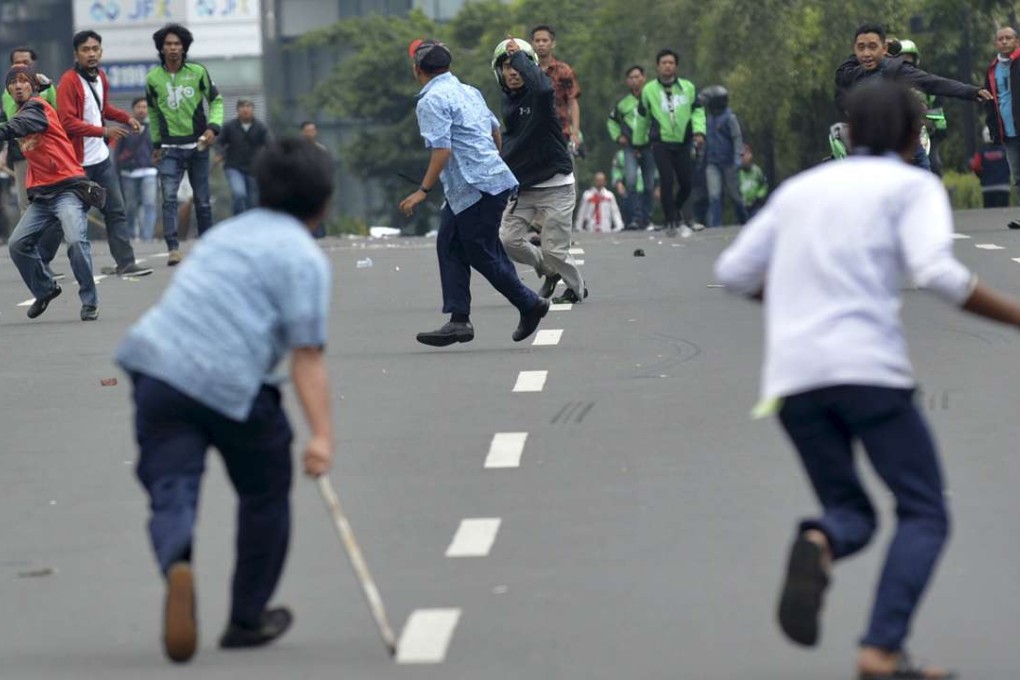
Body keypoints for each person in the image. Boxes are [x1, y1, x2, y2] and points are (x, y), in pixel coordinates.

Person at [716, 79, 1020, 680]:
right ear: (915, 137)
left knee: (850, 514)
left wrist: (799, 306)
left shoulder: (801, 189)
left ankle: (820, 543)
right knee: (925, 510)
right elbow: (936, 272)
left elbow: (733, 271)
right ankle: (880, 649)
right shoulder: (912, 186)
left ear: (848, 133)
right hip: (869, 375)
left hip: (795, 382)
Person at [115, 138, 335, 664]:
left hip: (160, 370)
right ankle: (246, 617)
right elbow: (306, 357)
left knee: (171, 484)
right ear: (323, 202)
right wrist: (322, 436)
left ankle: (176, 561)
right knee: (264, 495)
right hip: (235, 385)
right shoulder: (305, 258)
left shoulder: (225, 234)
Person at [399, 39, 549, 346]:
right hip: (477, 184)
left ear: (417, 70)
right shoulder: (468, 91)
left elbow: (442, 150)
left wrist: (422, 190)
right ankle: (458, 321)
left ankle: (530, 304)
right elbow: (495, 130)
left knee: (480, 251)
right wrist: (491, 162)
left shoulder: (430, 100)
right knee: (450, 244)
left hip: (476, 186)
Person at [493, 37, 586, 304]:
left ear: (529, 68)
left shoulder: (541, 98)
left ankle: (577, 289)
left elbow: (545, 90)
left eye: (518, 67)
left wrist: (521, 57)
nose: (512, 72)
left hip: (556, 184)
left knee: (555, 250)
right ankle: (546, 269)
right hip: (525, 187)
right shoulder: (508, 101)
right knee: (508, 240)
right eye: (506, 67)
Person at [2, 64, 100, 321]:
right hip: (43, 196)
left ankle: (89, 301)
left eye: (24, 81)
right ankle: (45, 289)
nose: (18, 85)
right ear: (8, 89)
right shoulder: (20, 111)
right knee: (17, 245)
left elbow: (15, 126)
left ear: (33, 86)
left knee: (77, 243)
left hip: (68, 189)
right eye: (13, 82)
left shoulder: (38, 108)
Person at [54, 30, 152, 277]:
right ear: (76, 54)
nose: (91, 54)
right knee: (65, 218)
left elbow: (102, 107)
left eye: (95, 49)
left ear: (101, 52)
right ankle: (39, 261)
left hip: (101, 160)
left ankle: (126, 262)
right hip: (77, 165)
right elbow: (67, 122)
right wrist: (103, 131)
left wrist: (126, 117)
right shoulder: (69, 81)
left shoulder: (101, 78)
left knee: (115, 210)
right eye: (86, 50)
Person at [834, 23, 992, 170]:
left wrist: (971, 91)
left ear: (884, 48)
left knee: (924, 176)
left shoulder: (896, 70)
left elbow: (933, 83)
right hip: (866, 147)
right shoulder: (848, 73)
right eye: (861, 48)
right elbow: (841, 90)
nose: (866, 53)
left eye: (873, 47)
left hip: (901, 141)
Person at [146, 23, 224, 265]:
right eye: (168, 44)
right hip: (169, 149)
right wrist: (156, 144)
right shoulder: (152, 79)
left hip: (198, 146)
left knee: (201, 199)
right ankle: (173, 248)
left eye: (177, 44)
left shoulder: (198, 72)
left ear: (184, 47)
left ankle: (208, 246)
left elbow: (217, 101)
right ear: (161, 48)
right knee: (168, 197)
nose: (172, 48)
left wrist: (213, 127)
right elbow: (153, 113)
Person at [1, 46, 64, 278]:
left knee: (55, 212)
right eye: (16, 63)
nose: (21, 67)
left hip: (48, 156)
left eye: (26, 63)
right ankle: (36, 262)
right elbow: (10, 122)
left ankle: (43, 259)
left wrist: (48, 88)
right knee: (27, 207)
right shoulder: (8, 94)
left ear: (34, 65)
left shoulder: (46, 92)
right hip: (22, 155)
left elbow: (56, 115)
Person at [636, 48, 706, 238]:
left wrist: (699, 131)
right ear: (658, 66)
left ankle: (675, 209)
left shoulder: (688, 87)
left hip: (684, 141)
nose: (667, 66)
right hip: (661, 142)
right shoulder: (649, 90)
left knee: (686, 183)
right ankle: (671, 220)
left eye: (671, 63)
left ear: (676, 66)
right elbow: (642, 118)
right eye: (664, 63)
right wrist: (638, 143)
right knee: (666, 181)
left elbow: (697, 111)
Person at [607, 65, 654, 229]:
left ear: (644, 78)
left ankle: (647, 218)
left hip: (649, 146)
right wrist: (618, 136)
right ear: (627, 81)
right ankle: (635, 218)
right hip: (630, 147)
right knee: (632, 181)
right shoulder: (623, 103)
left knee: (649, 183)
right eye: (631, 77)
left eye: (637, 76)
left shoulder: (651, 98)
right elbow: (612, 121)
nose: (635, 80)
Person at [984, 27, 1020, 227]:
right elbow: (989, 102)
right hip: (1008, 131)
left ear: (1017, 40)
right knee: (1018, 176)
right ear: (996, 43)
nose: (1004, 41)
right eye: (1000, 39)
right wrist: (994, 129)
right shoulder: (992, 68)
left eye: (1008, 38)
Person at [897, 40, 948, 176]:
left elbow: (938, 109)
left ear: (915, 59)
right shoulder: (888, 81)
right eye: (901, 57)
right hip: (896, 136)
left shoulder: (925, 81)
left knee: (933, 163)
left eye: (908, 57)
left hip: (925, 133)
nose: (905, 60)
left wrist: (937, 125)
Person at [702, 85, 747, 227]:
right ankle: (716, 226)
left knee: (735, 195)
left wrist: (738, 157)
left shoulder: (729, 118)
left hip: (729, 162)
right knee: (714, 195)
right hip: (712, 162)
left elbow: (737, 137)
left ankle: (744, 220)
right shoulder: (708, 119)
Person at [530, 25, 581, 150]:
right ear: (532, 44)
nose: (541, 44)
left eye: (545, 40)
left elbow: (572, 101)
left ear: (553, 44)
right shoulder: (528, 70)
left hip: (560, 130)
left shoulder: (564, 70)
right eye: (537, 41)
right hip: (532, 131)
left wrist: (575, 132)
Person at [218, 98, 271, 215]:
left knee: (252, 202)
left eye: (248, 106)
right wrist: (220, 153)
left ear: (253, 109)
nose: (245, 109)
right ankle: (236, 220)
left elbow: (269, 145)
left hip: (254, 169)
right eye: (242, 107)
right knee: (239, 193)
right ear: (237, 110)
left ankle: (250, 225)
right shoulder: (229, 126)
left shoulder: (260, 127)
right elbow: (219, 142)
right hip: (234, 167)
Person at [117, 96, 158, 241]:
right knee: (130, 206)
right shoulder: (124, 129)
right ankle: (132, 234)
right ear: (133, 109)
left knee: (149, 203)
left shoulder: (154, 128)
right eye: (139, 107)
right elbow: (118, 153)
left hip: (149, 171)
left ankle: (147, 237)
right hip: (129, 172)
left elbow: (159, 150)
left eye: (145, 107)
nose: (142, 110)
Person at [971, 126, 1011, 208]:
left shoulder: (981, 152)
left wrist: (982, 176)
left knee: (990, 215)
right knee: (1004, 215)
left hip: (987, 188)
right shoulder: (1005, 150)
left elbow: (975, 166)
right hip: (1003, 187)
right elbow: (1012, 165)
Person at [738, 143, 768, 218]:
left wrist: (759, 196)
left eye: (746, 154)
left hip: (755, 205)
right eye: (742, 156)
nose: (744, 158)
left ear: (750, 155)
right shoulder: (738, 173)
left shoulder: (757, 171)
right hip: (743, 207)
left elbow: (764, 185)